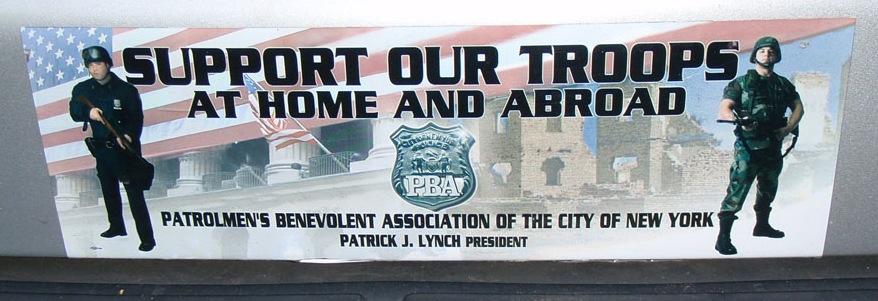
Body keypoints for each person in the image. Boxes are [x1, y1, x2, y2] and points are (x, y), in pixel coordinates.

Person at [714, 36, 804, 255]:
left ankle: (761, 225)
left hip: (773, 143)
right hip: (749, 145)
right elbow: (725, 108)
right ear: (755, 55)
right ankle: (723, 237)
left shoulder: (782, 84)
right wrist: (739, 122)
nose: (767, 54)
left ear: (777, 56)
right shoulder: (742, 82)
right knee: (739, 188)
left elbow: (799, 107)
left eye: (771, 51)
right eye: (762, 51)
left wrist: (787, 128)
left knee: (768, 187)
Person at [69, 46, 156, 252]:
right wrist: (89, 113)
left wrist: (128, 135)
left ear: (107, 64)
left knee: (134, 194)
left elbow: (136, 118)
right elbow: (74, 110)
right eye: (90, 65)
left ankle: (147, 238)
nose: (94, 69)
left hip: (123, 150)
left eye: (98, 64)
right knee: (109, 190)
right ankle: (117, 227)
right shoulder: (83, 90)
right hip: (101, 149)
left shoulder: (125, 90)